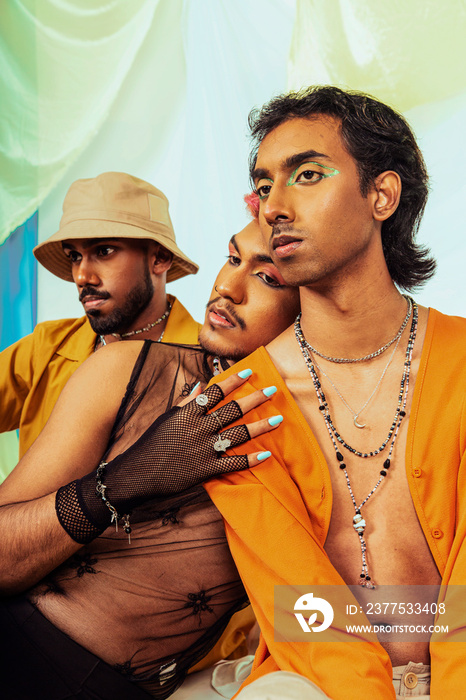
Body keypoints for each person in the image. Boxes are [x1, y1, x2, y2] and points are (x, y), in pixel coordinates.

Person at [201, 87, 466, 699]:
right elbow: (297, 611)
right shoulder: (241, 405)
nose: (274, 206)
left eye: (307, 175)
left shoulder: (459, 364)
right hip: (315, 680)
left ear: (382, 195)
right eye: (264, 186)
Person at [0, 217, 301, 700]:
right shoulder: (127, 369)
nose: (225, 287)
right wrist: (128, 477)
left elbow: (377, 610)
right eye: (231, 258)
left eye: (267, 277)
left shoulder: (330, 443)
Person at [0, 171, 200, 459]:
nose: (82, 276)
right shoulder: (46, 348)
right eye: (74, 256)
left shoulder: (209, 357)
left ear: (159, 258)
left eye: (104, 251)